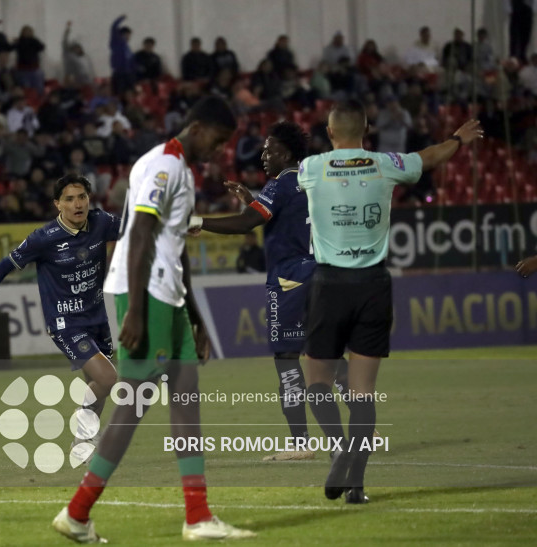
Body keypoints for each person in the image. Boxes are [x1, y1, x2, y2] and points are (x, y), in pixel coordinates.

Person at [52, 96, 256, 543]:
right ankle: (77, 511)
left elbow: (175, 244)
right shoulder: (165, 165)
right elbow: (140, 232)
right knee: (134, 401)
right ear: (198, 127)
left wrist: (198, 318)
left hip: (168, 295)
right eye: (219, 141)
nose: (220, 151)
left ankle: (198, 516)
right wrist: (139, 312)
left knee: (184, 396)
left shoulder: (176, 168)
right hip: (146, 295)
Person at [297, 100, 484, 504]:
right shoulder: (385, 163)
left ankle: (339, 448)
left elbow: (281, 192)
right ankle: (358, 486)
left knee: (316, 381)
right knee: (363, 393)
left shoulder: (311, 168)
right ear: (366, 129)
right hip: (373, 284)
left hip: (329, 284)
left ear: (330, 133)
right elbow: (431, 158)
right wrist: (457, 138)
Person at [189, 122, 346, 461]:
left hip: (289, 277)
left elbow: (248, 223)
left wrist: (200, 222)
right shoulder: (307, 181)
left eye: (269, 149)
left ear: (286, 153)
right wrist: (252, 199)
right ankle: (365, 424)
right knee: (323, 352)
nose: (263, 155)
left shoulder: (281, 182)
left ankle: (300, 443)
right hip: (319, 270)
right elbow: (281, 216)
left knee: (286, 357)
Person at [0, 174, 120, 455]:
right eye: (69, 199)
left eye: (81, 197)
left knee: (95, 384)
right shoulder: (44, 238)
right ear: (58, 204)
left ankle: (84, 439)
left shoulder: (102, 222)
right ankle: (83, 431)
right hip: (65, 322)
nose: (77, 204)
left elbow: (139, 226)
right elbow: (5, 266)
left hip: (97, 316)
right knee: (107, 378)